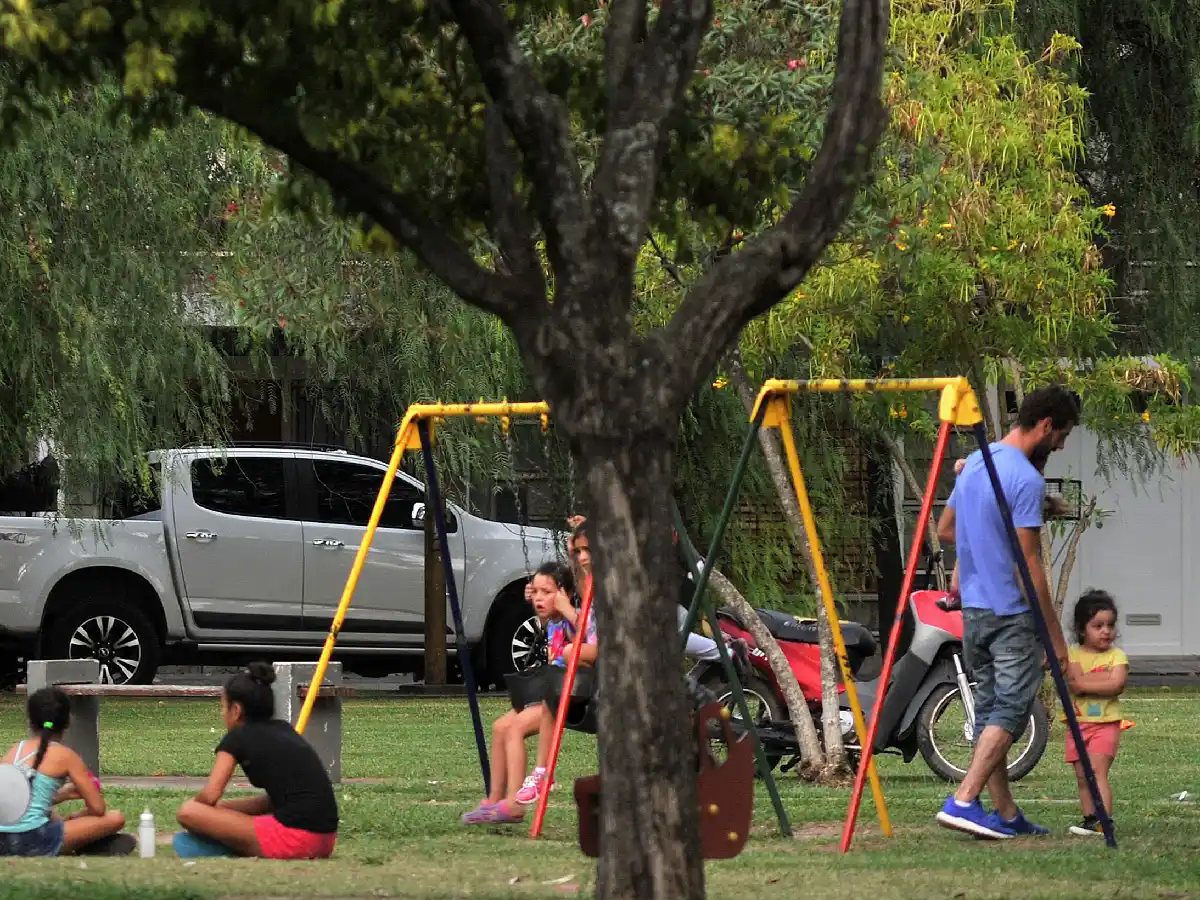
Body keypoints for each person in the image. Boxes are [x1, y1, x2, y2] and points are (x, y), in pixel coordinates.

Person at [934, 385, 1079, 840]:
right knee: (1012, 711)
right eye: (1062, 436)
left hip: (975, 610)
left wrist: (986, 545)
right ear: (1046, 425)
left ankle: (1006, 814)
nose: (1060, 446)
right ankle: (962, 800)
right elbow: (1029, 567)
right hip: (1011, 614)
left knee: (991, 709)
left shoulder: (977, 460)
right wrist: (1057, 642)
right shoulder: (1026, 478)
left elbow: (946, 528)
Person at [174, 662, 338, 859]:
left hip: (294, 840)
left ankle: (228, 845)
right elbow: (272, 802)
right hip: (324, 842)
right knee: (215, 811)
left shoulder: (237, 737)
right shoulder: (283, 730)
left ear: (236, 710)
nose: (221, 713)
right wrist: (220, 812)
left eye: (223, 707)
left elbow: (210, 795)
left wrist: (201, 811)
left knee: (189, 811)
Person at [461, 562, 575, 824]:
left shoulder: (572, 620)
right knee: (501, 726)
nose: (538, 598)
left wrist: (565, 605)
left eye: (546, 592)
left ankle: (513, 804)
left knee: (515, 729)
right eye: (535, 591)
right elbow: (548, 614)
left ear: (564, 594)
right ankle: (494, 801)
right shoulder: (554, 621)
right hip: (550, 694)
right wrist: (539, 597)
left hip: (566, 698)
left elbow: (583, 631)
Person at [0, 687, 129, 856]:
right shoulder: (67, 756)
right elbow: (98, 809)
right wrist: (76, 816)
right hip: (34, 839)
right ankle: (78, 843)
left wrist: (63, 795)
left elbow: (14, 802)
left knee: (50, 815)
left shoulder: (13, 751)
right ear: (68, 720)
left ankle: (73, 842)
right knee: (115, 817)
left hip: (2, 841)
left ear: (30, 720)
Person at [1063, 590, 1128, 836]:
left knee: (1097, 771)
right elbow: (1075, 684)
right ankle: (1090, 819)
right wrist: (1100, 681)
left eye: (1110, 625)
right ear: (1082, 629)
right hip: (1078, 724)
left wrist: (1086, 684)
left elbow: (1117, 685)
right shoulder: (1073, 655)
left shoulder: (1117, 656)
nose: (1106, 631)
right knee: (1082, 776)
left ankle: (1104, 820)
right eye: (1097, 625)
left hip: (1106, 725)